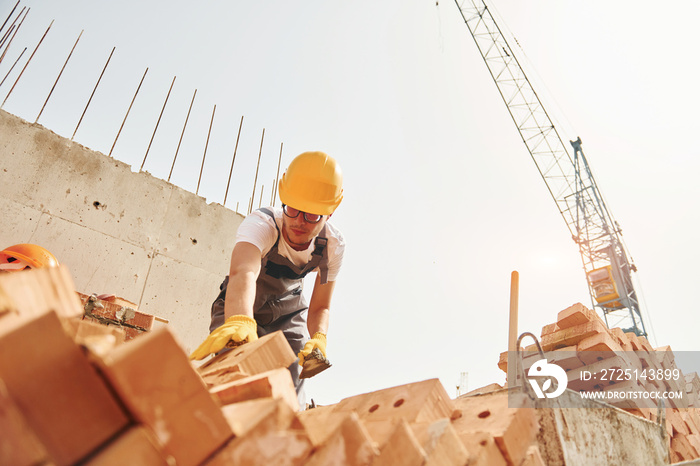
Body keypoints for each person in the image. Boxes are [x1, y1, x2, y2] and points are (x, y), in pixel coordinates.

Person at [189, 151, 345, 407]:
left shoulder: (333, 247)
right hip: (241, 301)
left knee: (290, 385)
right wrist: (240, 318)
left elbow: (321, 306)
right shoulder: (262, 223)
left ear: (330, 213)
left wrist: (319, 337)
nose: (299, 222)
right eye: (293, 209)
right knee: (233, 377)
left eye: (312, 215)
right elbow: (244, 272)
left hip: (288, 313)